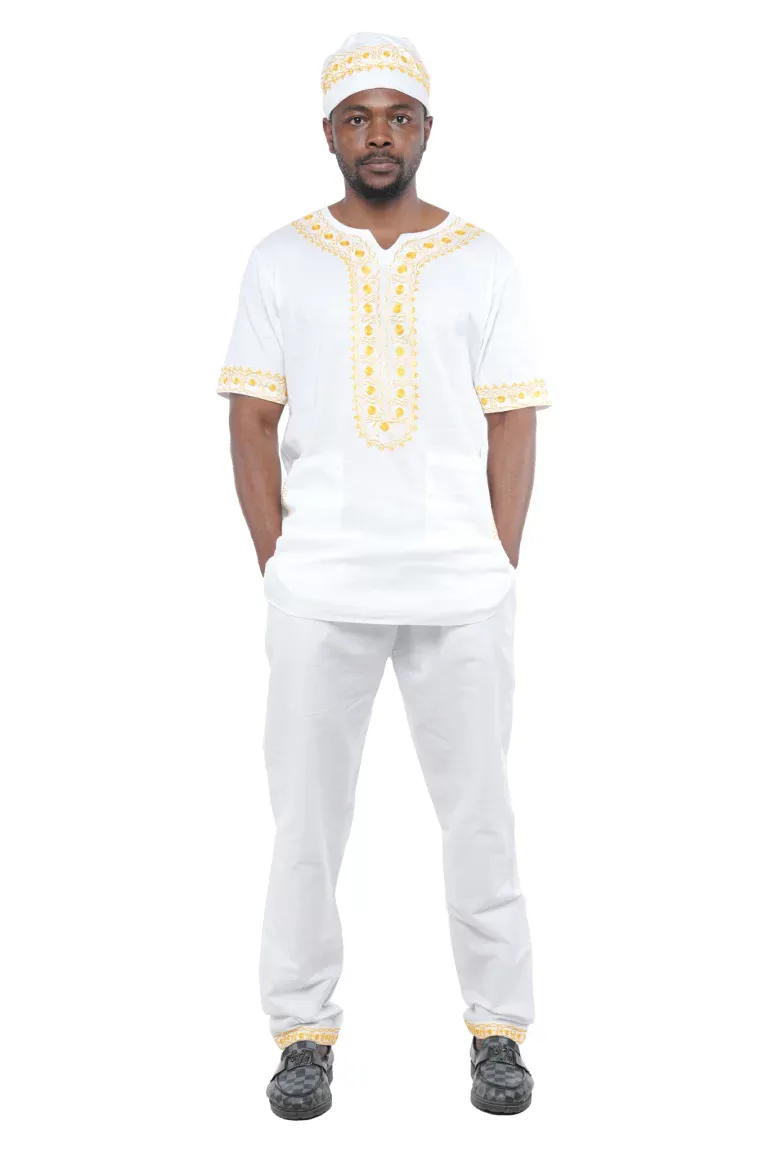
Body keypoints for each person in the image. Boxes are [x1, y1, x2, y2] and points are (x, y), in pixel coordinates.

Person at [217, 30, 552, 1120]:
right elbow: (252, 418)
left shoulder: (483, 259)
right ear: (327, 133)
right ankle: (302, 1032)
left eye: (397, 118)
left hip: (462, 591)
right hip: (320, 592)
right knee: (306, 828)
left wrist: (497, 560)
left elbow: (513, 420)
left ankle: (498, 1030)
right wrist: (280, 562)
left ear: (425, 131)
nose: (378, 137)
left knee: (481, 818)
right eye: (357, 118)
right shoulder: (281, 259)